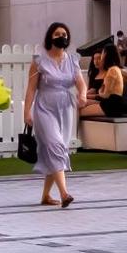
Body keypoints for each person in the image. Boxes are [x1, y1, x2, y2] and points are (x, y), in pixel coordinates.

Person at [24, 21, 85, 208]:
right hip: (44, 109)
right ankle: (65, 194)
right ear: (50, 36)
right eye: (58, 34)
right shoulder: (38, 61)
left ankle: (45, 196)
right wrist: (27, 111)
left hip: (66, 108)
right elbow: (31, 89)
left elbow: (80, 82)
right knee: (55, 146)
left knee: (57, 150)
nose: (62, 37)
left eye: (64, 34)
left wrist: (82, 94)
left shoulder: (73, 60)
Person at [78, 43, 127, 119]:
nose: (97, 60)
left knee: (77, 111)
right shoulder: (111, 71)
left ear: (106, 54)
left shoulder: (112, 71)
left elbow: (105, 95)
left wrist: (93, 94)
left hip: (111, 106)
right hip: (108, 103)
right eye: (94, 59)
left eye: (102, 54)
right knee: (77, 105)